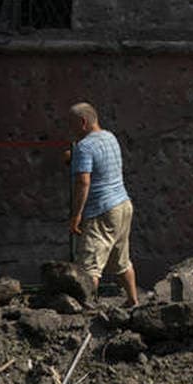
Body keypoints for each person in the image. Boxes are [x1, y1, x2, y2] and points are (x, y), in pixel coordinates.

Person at [67, 102, 138, 306]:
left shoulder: (84, 146)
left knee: (89, 266)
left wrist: (76, 215)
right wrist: (73, 158)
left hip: (101, 210)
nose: (69, 129)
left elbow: (83, 181)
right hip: (123, 205)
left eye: (71, 124)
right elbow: (100, 163)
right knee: (121, 261)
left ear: (82, 122)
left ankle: (85, 310)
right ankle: (133, 299)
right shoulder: (110, 137)